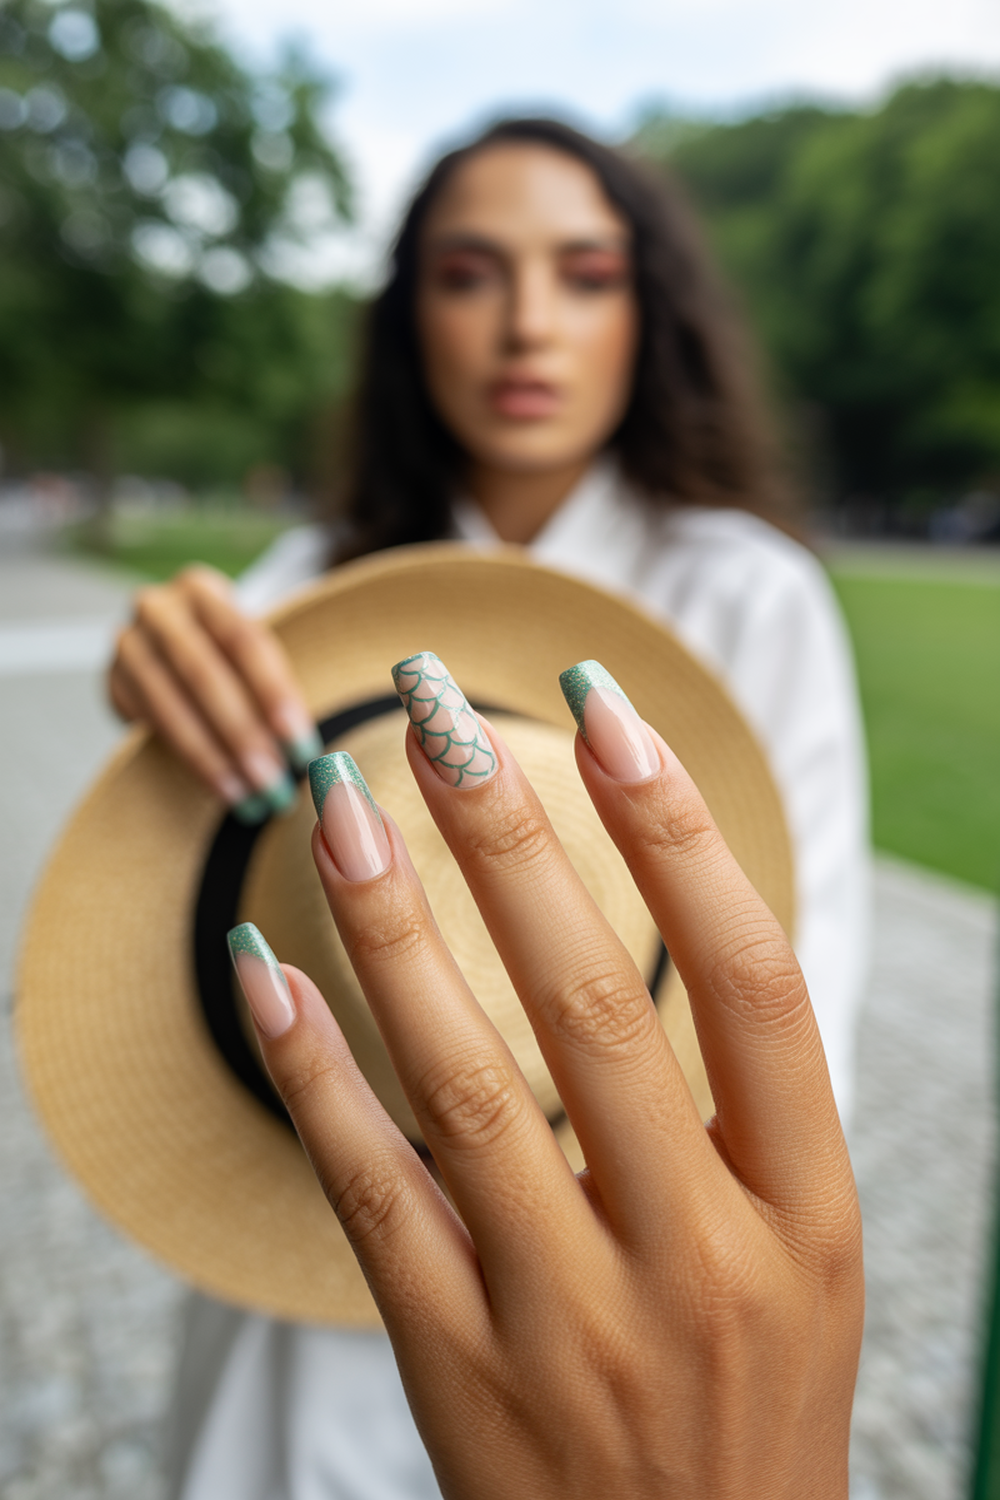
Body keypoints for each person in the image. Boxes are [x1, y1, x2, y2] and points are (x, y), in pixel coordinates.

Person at [107, 118, 869, 1498]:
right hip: (314, 1225)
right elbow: (169, 926)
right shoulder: (306, 582)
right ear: (410, 318)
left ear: (652, 314)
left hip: (627, 1274)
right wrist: (159, 704)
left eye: (584, 273)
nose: (528, 324)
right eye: (471, 274)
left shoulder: (743, 596)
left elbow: (803, 1012)